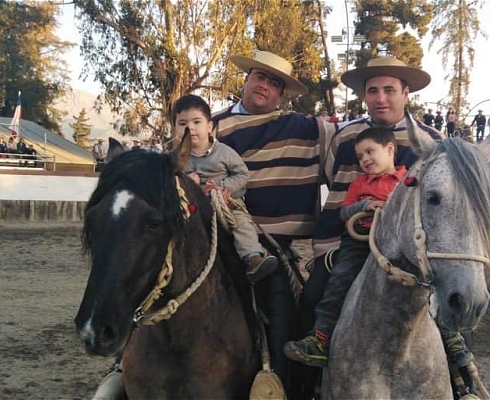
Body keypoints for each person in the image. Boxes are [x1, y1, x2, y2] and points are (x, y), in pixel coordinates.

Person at [211, 51, 441, 383]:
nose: (380, 98)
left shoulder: (432, 143)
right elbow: (335, 179)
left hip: (410, 249)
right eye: (373, 91)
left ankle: (460, 378)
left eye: (389, 90)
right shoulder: (345, 136)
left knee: (445, 308)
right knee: (312, 300)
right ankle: (303, 386)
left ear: (407, 93)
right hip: (345, 242)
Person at [284, 127, 406, 367]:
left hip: (396, 241)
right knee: (339, 281)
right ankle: (321, 338)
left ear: (390, 149)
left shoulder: (407, 182)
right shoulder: (359, 184)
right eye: (360, 157)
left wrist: (390, 206)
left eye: (370, 152)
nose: (365, 160)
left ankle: (451, 340)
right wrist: (366, 205)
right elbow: (343, 211)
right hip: (359, 241)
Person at [174, 94, 279, 282]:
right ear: (175, 129)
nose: (190, 127)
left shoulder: (224, 152)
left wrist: (221, 188)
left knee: (241, 223)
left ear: (210, 127)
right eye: (182, 123)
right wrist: (187, 183)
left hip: (226, 203)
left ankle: (253, 257)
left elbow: (242, 174)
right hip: (190, 207)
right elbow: (168, 183)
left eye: (196, 122)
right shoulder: (175, 159)